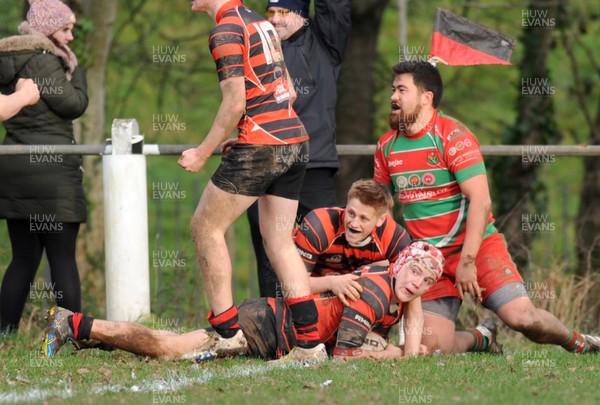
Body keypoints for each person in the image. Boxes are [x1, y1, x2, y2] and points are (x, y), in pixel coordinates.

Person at [374, 61, 600, 354]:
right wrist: (390, 256)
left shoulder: (453, 136)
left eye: (402, 90)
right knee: (431, 347)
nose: (393, 97)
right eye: (393, 89)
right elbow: (383, 207)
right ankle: (482, 338)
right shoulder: (387, 146)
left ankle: (581, 343)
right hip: (427, 259)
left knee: (523, 319)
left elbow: (481, 201)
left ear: (426, 97)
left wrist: (467, 262)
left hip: (477, 248)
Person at [177, 0, 324, 363]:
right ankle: (310, 344)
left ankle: (227, 335)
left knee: (205, 226)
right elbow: (286, 91)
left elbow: (235, 101)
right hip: (294, 140)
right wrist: (247, 133)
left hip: (264, 144)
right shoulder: (261, 23)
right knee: (279, 241)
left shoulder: (225, 30)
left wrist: (201, 152)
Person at [43, 242, 444, 361]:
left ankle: (84, 332)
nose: (417, 284)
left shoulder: (390, 281)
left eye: (427, 281)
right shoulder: (376, 291)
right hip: (266, 326)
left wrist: (412, 301)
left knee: (173, 343)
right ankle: (73, 323)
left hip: (273, 323)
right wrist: (395, 353)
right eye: (414, 272)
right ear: (401, 264)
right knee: (169, 349)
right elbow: (343, 356)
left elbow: (408, 318)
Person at [248, 0, 352, 298]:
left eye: (285, 12)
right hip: (266, 163)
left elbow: (335, 8)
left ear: (304, 18)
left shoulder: (325, 44)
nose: (276, 19)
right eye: (271, 12)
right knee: (269, 251)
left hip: (313, 166)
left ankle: (329, 322)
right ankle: (272, 325)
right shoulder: (258, 44)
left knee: (328, 247)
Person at [0, 0, 88, 335]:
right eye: (66, 29)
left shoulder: (9, 59)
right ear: (49, 30)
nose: (71, 37)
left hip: (16, 168)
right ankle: (71, 335)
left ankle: (5, 333)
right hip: (52, 176)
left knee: (22, 259)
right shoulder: (45, 61)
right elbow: (73, 104)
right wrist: (79, 74)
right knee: (63, 259)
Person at [295, 179, 412, 305]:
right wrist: (332, 282)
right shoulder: (318, 225)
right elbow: (293, 284)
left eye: (363, 218)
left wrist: (371, 272)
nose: (354, 224)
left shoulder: (395, 238)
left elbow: (411, 293)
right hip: (310, 290)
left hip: (353, 294)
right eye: (351, 213)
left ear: (380, 220)